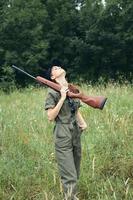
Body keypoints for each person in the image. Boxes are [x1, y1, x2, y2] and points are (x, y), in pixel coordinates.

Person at [44, 65, 87, 200]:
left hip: (75, 131)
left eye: (59, 66)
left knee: (75, 169)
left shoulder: (72, 88)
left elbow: (76, 109)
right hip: (62, 132)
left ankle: (71, 196)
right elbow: (50, 116)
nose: (59, 67)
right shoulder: (52, 92)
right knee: (69, 175)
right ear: (52, 77)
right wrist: (62, 98)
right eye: (55, 68)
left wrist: (82, 122)